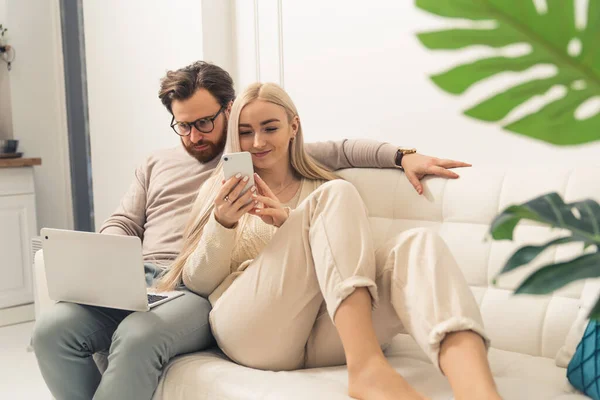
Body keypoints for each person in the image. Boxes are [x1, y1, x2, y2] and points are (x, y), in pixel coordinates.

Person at [32, 61, 472, 400]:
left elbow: (344, 149)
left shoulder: (257, 153)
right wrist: (109, 253)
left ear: (229, 111)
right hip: (139, 275)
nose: (195, 135)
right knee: (51, 331)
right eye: (182, 125)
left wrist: (404, 154)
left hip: (190, 289)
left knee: (139, 335)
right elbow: (125, 220)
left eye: (205, 122)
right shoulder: (155, 163)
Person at [162, 82, 502, 400]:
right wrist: (224, 223)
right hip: (251, 333)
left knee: (418, 245)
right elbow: (198, 282)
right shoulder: (221, 192)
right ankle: (367, 366)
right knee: (335, 193)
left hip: (325, 331)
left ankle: (479, 392)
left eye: (270, 128)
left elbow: (347, 158)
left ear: (293, 127)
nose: (257, 143)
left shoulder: (319, 185)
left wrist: (289, 225)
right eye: (245, 132)